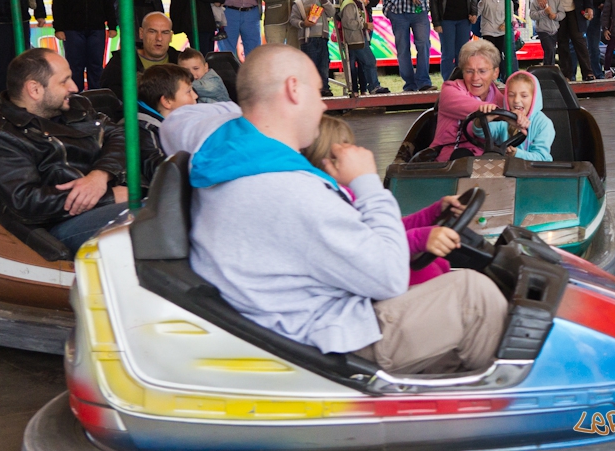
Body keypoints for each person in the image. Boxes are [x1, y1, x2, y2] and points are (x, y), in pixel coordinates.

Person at [159, 44, 509, 375]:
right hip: (328, 342)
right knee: (474, 295)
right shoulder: (292, 190)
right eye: (317, 91)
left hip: (289, 318)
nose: (324, 105)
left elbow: (180, 120)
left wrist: (251, 106)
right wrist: (367, 183)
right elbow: (388, 276)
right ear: (293, 90)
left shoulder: (221, 147)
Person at [0, 48, 127, 254]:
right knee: (158, 216)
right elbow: (27, 201)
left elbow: (121, 135)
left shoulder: (76, 106)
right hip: (60, 225)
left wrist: (99, 177)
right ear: (35, 89)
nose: (74, 87)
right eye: (64, 81)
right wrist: (107, 197)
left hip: (110, 196)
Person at [303, 115, 461, 287]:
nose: (355, 154)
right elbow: (367, 249)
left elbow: (392, 227)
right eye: (345, 151)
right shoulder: (327, 203)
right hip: (391, 292)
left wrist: (436, 211)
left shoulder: (349, 194)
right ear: (327, 160)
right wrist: (419, 239)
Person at [52, 0, 117, 93]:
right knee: (75, 65)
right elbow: (58, 6)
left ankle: (96, 96)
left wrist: (112, 25)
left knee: (96, 64)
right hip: (72, 30)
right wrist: (59, 28)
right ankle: (76, 97)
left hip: (96, 29)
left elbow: (108, 4)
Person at [430, 40, 505, 161]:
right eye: (469, 71)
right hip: (450, 160)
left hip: (488, 159)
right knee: (463, 158)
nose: (475, 78)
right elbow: (479, 109)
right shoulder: (450, 92)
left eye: (482, 71)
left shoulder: (501, 100)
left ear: (495, 73)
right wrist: (506, 115)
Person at [329, 0, 380, 96]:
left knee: (365, 58)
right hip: (346, 23)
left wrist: (366, 1)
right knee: (350, 59)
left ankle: (365, 88)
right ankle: (353, 89)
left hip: (364, 22)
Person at [474, 71, 554, 162]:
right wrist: (486, 118)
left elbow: (542, 158)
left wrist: (517, 154)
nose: (516, 100)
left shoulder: (543, 124)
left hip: (534, 173)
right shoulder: (503, 121)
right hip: (507, 172)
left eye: (524, 96)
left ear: (534, 98)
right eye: (511, 95)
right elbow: (480, 133)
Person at [137, 64, 197, 185]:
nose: (195, 96)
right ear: (167, 101)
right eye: (189, 92)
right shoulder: (144, 129)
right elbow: (160, 170)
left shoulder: (175, 123)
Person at [101, 12, 181, 101]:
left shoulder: (182, 61)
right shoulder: (121, 62)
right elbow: (109, 98)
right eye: (152, 31)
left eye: (165, 32)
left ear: (171, 36)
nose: (159, 38)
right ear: (141, 33)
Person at [340, 0, 390, 95]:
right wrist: (364, 25)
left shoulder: (357, 2)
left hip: (357, 38)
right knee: (369, 61)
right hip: (355, 39)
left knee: (357, 64)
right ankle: (374, 86)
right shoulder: (350, 4)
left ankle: (358, 88)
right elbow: (348, 22)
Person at [289, 0, 335, 97]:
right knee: (311, 64)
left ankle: (324, 87)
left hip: (322, 37)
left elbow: (332, 12)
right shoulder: (299, 3)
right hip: (307, 39)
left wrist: (324, 0)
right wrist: (303, 23)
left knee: (324, 64)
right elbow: (293, 20)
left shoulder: (322, 1)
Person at [529, 0, 565, 66]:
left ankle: (549, 67)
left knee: (552, 50)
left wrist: (555, 16)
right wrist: (544, 12)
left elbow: (562, 13)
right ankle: (549, 67)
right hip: (543, 30)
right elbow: (532, 15)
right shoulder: (535, 0)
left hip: (554, 30)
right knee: (549, 49)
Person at [479, 0, 508, 79]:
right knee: (488, 54)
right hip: (488, 31)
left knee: (498, 54)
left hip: (500, 32)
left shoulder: (508, 2)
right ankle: (487, 75)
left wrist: (505, 24)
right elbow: (478, 12)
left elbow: (509, 16)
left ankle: (497, 75)